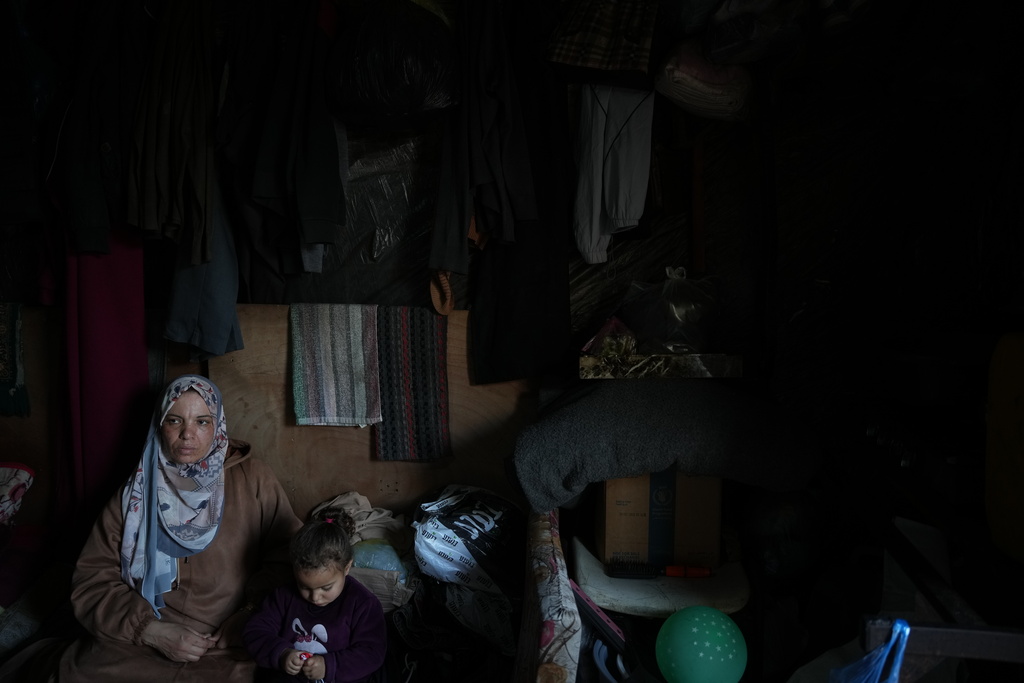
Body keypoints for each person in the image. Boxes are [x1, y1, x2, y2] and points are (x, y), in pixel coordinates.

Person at [50, 374, 303, 682]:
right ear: (159, 424)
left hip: (225, 642)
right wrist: (149, 630)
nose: (187, 434)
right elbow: (92, 582)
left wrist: (250, 615)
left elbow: (291, 559)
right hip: (142, 641)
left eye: (201, 421)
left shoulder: (254, 479)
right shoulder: (136, 491)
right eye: (174, 420)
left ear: (218, 426)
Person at [243, 505, 388, 683]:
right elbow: (255, 631)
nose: (315, 597)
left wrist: (329, 666)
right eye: (304, 586)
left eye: (326, 588)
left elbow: (372, 653)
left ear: (347, 568)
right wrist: (282, 653)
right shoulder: (283, 596)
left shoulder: (363, 603)